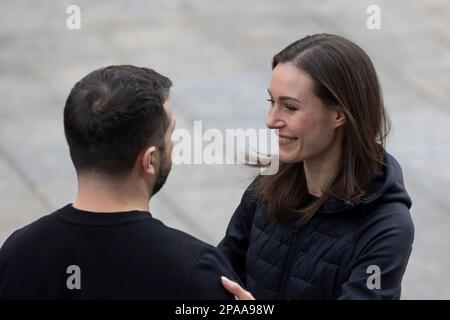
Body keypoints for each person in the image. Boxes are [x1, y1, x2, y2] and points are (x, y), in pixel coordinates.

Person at [0, 65, 240, 299]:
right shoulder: (195, 271)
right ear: (150, 159)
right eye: (171, 134)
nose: (174, 144)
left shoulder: (17, 254)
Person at [218, 34, 415, 300]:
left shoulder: (386, 228)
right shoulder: (268, 185)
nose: (271, 120)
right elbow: (220, 273)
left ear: (339, 114)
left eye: (289, 107)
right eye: (271, 101)